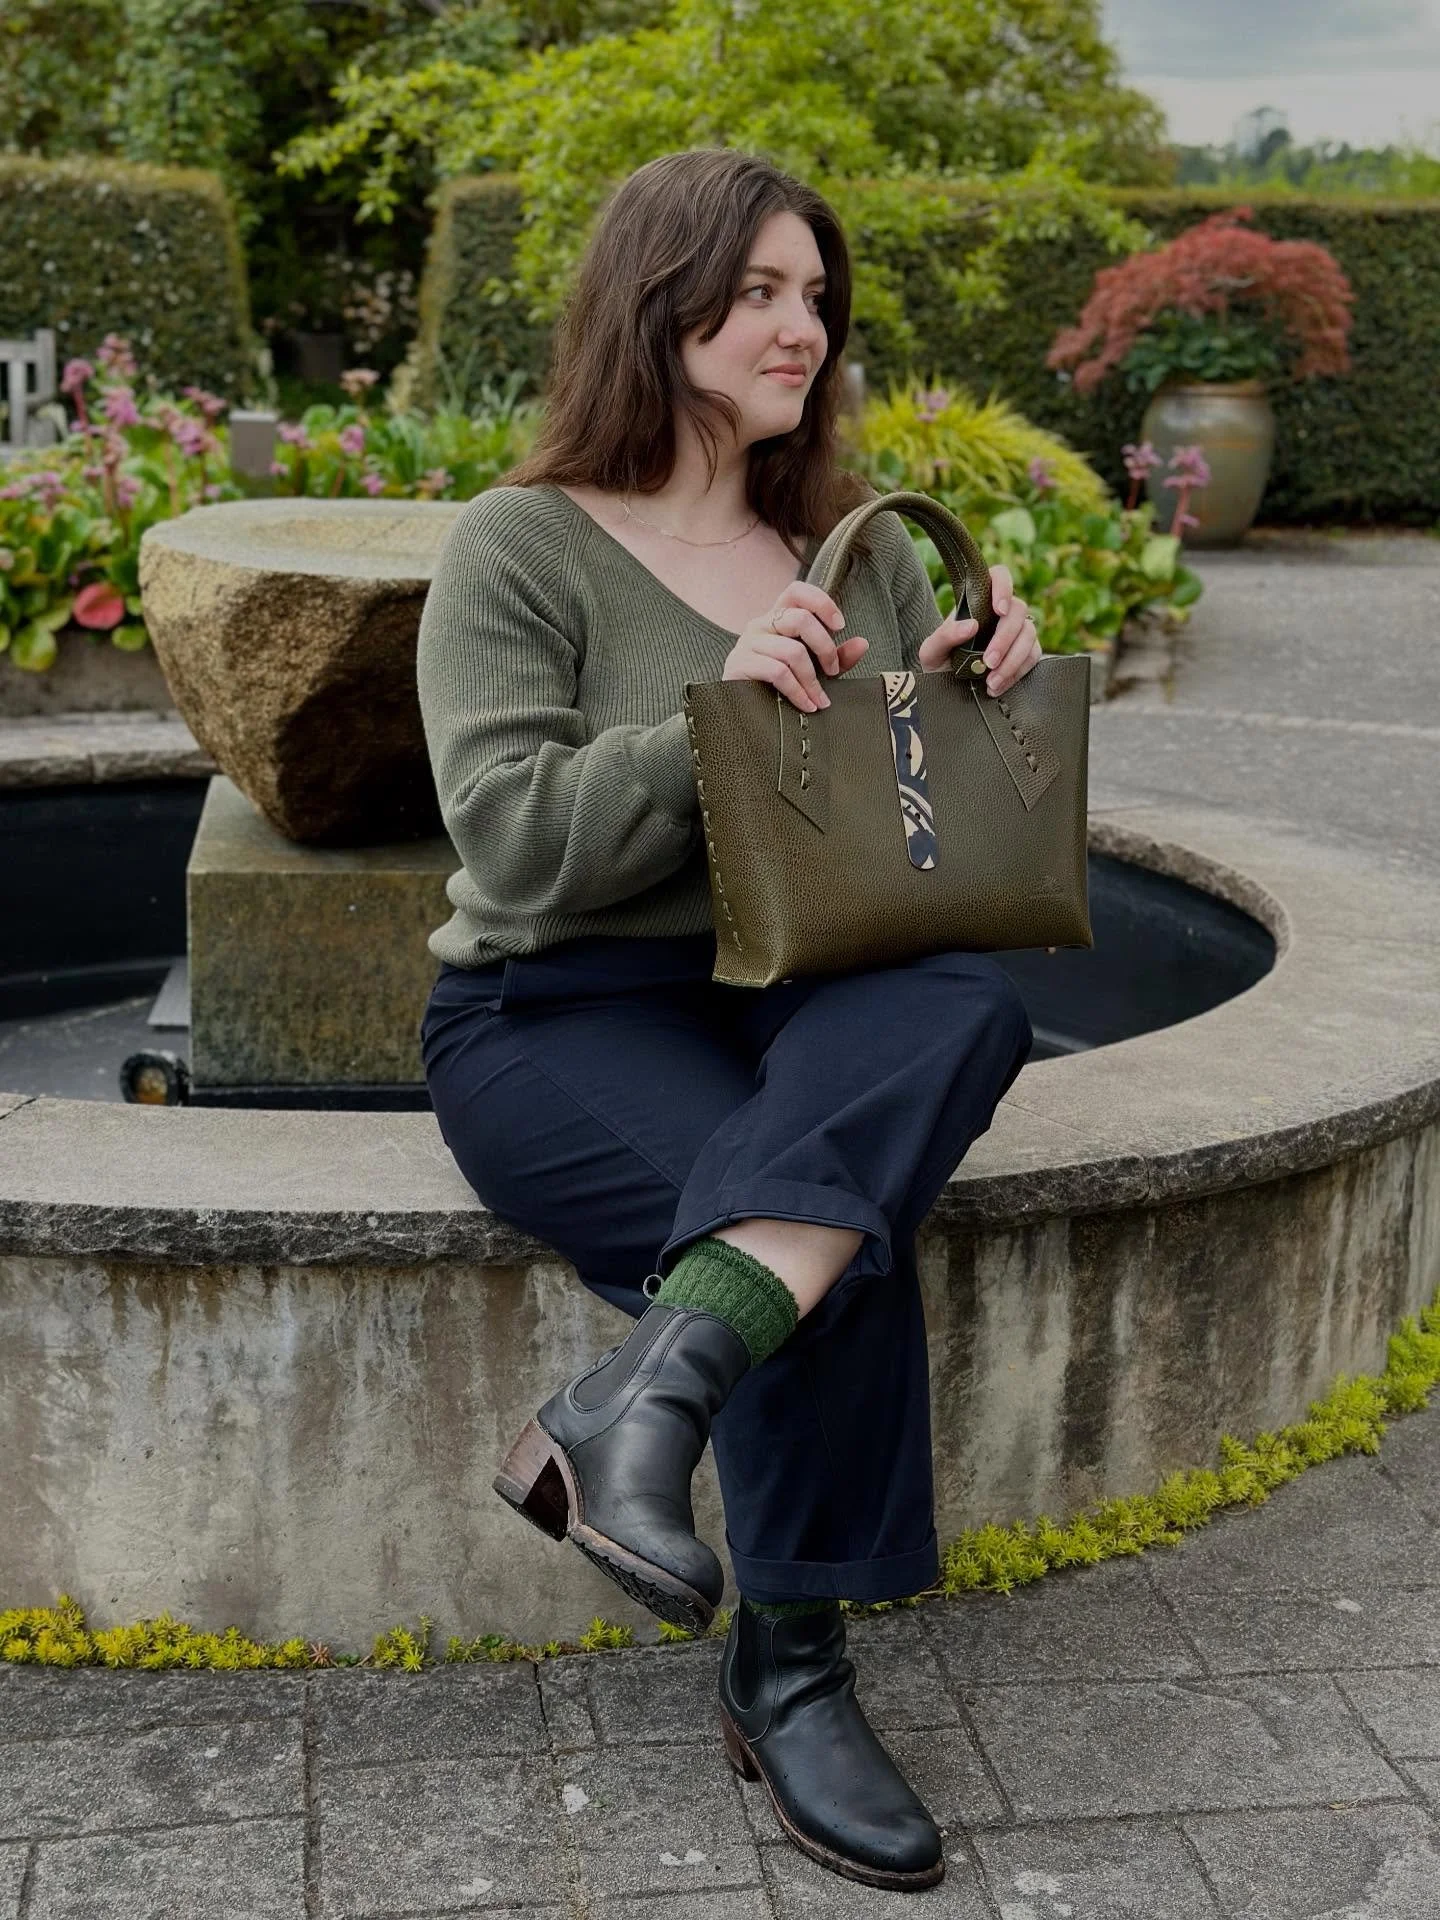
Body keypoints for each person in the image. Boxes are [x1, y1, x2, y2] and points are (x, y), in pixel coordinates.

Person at [417, 146, 1044, 1894]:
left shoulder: (858, 552)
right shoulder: (518, 545)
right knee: (818, 1219)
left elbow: (910, 851)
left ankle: (644, 1395)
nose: (802, 326)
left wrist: (965, 694)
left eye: (814, 294)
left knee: (967, 997)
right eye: (759, 290)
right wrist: (717, 715)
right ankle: (794, 1674)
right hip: (554, 1007)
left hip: (801, 988)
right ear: (659, 300)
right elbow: (512, 843)